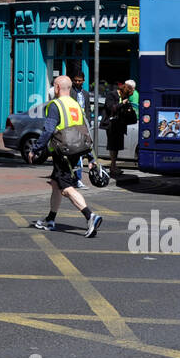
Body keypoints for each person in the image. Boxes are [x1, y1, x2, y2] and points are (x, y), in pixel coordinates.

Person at [28, 75, 105, 237]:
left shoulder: (55, 105)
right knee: (56, 184)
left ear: (56, 88)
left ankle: (90, 216)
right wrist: (91, 157)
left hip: (62, 151)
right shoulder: (75, 104)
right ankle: (50, 219)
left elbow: (48, 130)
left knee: (66, 187)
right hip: (76, 148)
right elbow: (84, 129)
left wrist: (35, 149)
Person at [108, 79, 138, 179]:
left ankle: (114, 166)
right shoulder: (112, 95)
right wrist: (122, 103)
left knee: (117, 147)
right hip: (111, 125)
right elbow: (110, 108)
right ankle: (112, 167)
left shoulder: (125, 97)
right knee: (113, 146)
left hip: (120, 125)